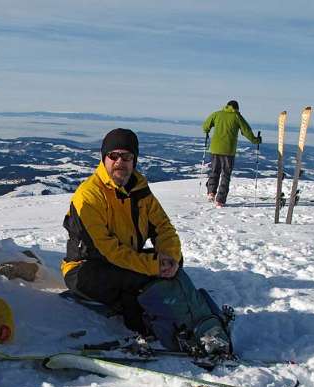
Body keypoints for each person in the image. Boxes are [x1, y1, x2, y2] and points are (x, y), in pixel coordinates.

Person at [61, 128, 183, 336]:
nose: (120, 161)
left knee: (174, 263)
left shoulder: (139, 189)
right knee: (136, 278)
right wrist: (153, 266)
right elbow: (107, 250)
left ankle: (151, 304)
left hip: (125, 259)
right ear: (104, 158)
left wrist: (169, 257)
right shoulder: (89, 195)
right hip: (86, 267)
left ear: (134, 160)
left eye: (126, 156)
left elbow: (163, 228)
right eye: (113, 156)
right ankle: (142, 322)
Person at [202, 100, 261, 207]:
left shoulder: (217, 114)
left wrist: (207, 130)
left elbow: (205, 126)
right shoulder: (237, 117)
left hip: (215, 149)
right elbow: (246, 131)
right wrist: (256, 140)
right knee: (225, 174)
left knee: (214, 171)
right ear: (236, 108)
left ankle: (211, 192)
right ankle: (220, 200)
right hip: (228, 151)